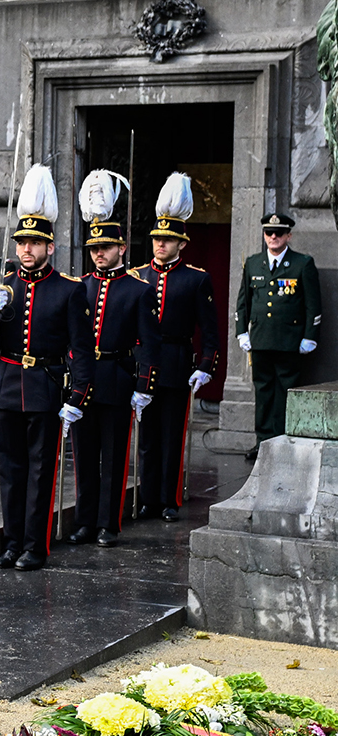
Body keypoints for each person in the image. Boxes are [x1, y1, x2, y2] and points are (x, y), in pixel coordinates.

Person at [0, 167, 89, 573]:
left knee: (39, 473)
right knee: (10, 472)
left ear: (50, 246)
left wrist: (77, 398)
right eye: (22, 242)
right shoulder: (2, 287)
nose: (27, 249)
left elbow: (81, 350)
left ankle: (35, 545)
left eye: (35, 243)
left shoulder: (69, 288)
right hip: (7, 387)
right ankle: (11, 541)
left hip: (46, 388)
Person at [69, 171, 160, 547]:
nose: (99, 254)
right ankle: (85, 521)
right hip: (83, 382)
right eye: (93, 248)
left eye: (105, 247)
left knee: (114, 457)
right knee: (84, 458)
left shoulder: (138, 289)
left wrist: (143, 386)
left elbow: (150, 343)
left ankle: (109, 523)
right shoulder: (80, 287)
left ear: (122, 248)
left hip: (118, 377)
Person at [132, 174, 219, 520]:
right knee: (146, 438)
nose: (160, 245)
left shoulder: (196, 279)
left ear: (181, 243)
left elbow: (210, 330)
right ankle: (147, 497)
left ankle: (168, 500)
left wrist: (206, 366)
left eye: (168, 240)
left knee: (171, 436)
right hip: (142, 364)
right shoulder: (137, 276)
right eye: (157, 239)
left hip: (176, 361)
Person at [235, 210, 321, 459]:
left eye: (279, 233)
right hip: (260, 339)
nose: (273, 236)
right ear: (264, 235)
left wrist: (310, 335)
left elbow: (312, 304)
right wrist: (242, 331)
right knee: (263, 391)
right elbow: (244, 302)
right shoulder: (253, 263)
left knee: (285, 390)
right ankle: (262, 441)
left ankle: (282, 440)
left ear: (288, 235)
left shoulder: (302, 263)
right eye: (269, 232)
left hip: (288, 340)